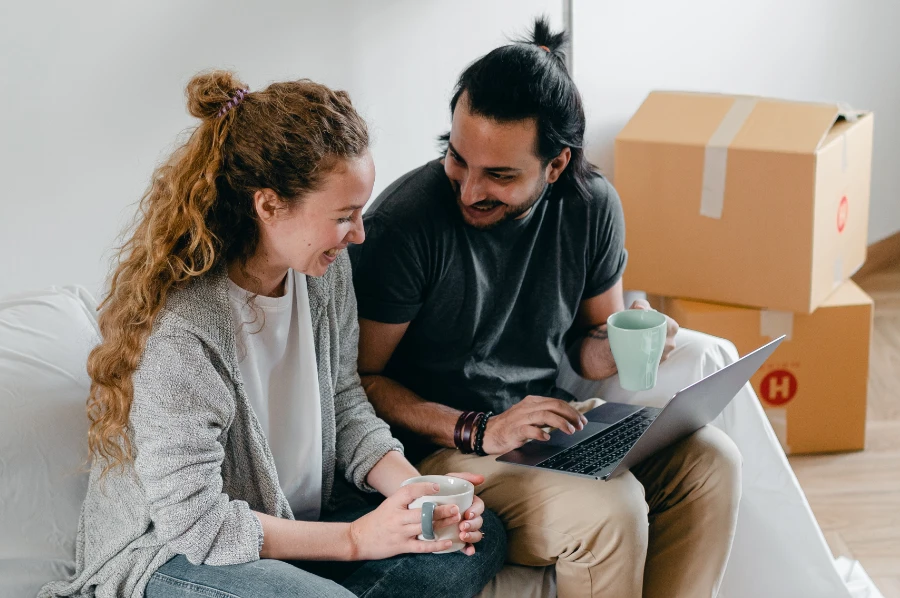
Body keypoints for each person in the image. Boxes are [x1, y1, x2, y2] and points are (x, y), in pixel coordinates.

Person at [39, 70, 505, 598]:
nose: (360, 234)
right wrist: (357, 539)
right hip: (175, 555)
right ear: (268, 205)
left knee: (472, 537)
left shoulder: (324, 275)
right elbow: (197, 524)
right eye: (345, 216)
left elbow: (345, 401)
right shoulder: (183, 331)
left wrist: (416, 492)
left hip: (292, 525)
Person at [349, 18, 743, 598]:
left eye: (499, 175)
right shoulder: (405, 225)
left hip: (541, 433)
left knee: (712, 462)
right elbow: (360, 380)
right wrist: (480, 429)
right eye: (457, 158)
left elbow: (588, 344)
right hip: (438, 452)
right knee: (614, 510)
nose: (467, 190)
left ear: (555, 165)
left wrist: (619, 346)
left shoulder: (591, 207)